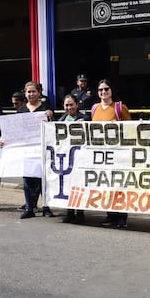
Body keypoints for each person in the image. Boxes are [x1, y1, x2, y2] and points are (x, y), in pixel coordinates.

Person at [92, 79, 131, 228]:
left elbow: (130, 130)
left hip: (119, 154)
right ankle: (110, 215)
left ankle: (122, 217)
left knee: (120, 186)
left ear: (111, 90)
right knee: (106, 185)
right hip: (101, 155)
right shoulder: (95, 108)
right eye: (100, 89)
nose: (103, 92)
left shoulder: (120, 108)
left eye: (106, 89)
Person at [18, 81, 55, 219]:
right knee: (27, 179)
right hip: (27, 149)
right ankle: (29, 208)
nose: (31, 94)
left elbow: (53, 129)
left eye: (34, 91)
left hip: (43, 149)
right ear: (25, 93)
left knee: (44, 180)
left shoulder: (46, 109)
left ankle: (46, 207)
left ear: (39, 93)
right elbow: (16, 130)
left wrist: (50, 116)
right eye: (29, 92)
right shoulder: (21, 110)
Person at [59, 94, 87, 224]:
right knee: (68, 185)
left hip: (81, 158)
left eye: (71, 104)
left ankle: (80, 213)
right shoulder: (60, 121)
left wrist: (86, 123)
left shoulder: (85, 118)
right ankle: (70, 212)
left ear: (77, 105)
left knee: (79, 185)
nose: (69, 107)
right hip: (66, 158)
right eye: (67, 105)